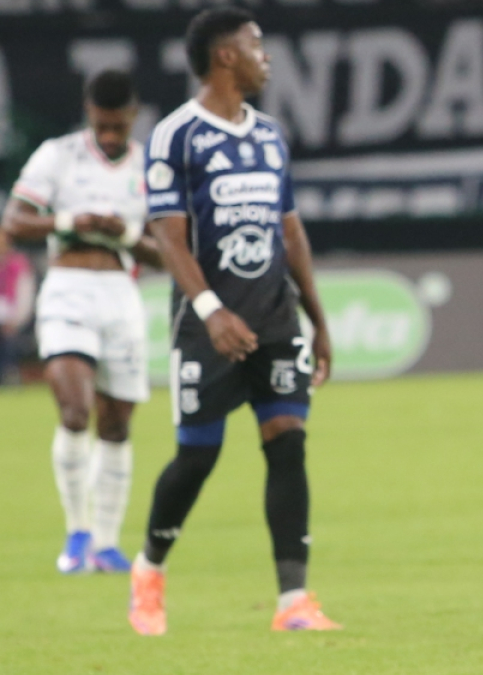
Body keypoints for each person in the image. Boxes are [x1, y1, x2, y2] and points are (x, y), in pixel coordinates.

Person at [128, 7, 339, 635]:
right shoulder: (176, 135)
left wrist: (317, 318)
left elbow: (290, 229)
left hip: (274, 317)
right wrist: (211, 310)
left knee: (288, 441)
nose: (264, 56)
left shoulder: (270, 134)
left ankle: (293, 602)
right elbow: (168, 238)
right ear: (225, 57)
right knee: (197, 457)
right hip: (206, 325)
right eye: (255, 45)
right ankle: (150, 567)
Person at [2, 70, 160, 574]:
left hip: (121, 294)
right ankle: (76, 534)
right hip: (68, 288)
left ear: (132, 117)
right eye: (101, 127)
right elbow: (15, 221)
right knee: (74, 411)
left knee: (115, 423)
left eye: (118, 127)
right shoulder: (59, 154)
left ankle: (108, 544)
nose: (110, 137)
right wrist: (73, 222)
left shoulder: (151, 168)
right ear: (89, 115)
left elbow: (165, 251)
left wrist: (125, 234)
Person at [0, 232, 36, 384]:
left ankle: (10, 373)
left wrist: (16, 321)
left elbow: (25, 295)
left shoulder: (19, 263)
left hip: (11, 315)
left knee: (9, 339)